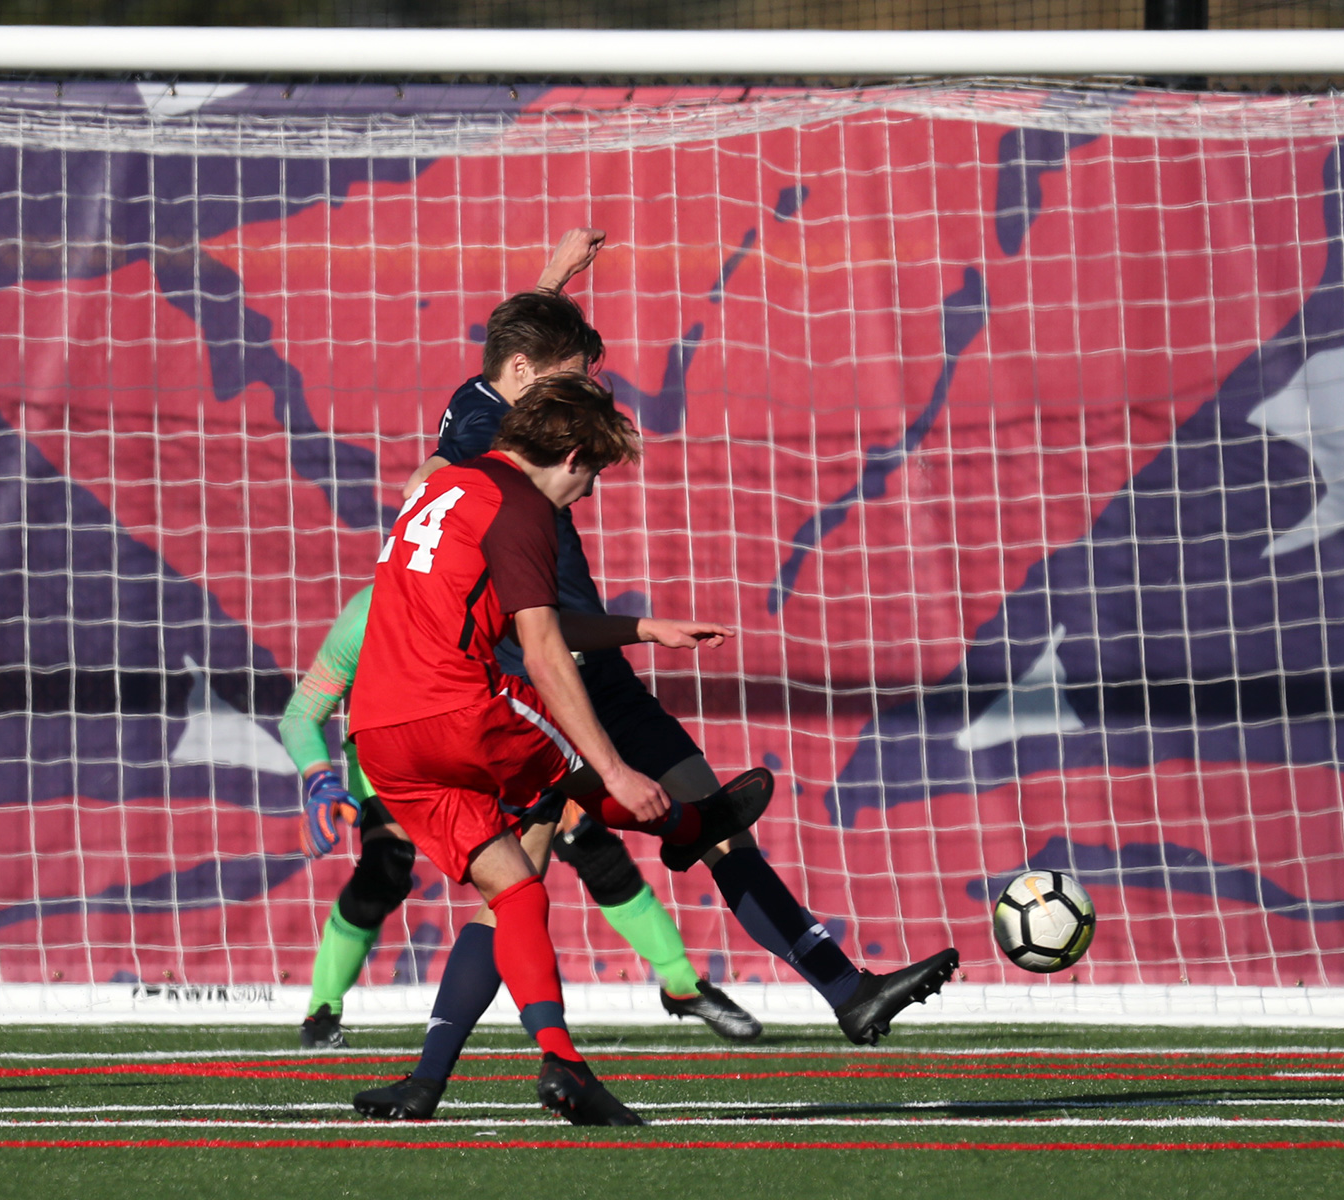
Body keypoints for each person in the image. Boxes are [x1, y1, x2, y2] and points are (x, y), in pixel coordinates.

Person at [400, 231, 958, 1046]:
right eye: (572, 381)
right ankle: (434, 1063)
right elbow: (434, 478)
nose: (584, 402)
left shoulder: (492, 393)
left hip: (597, 660)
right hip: (538, 677)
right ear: (525, 377)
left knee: (711, 819)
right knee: (520, 875)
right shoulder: (485, 436)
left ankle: (848, 991)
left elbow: (517, 350)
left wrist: (552, 278)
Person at [348, 372, 774, 1126]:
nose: (589, 494)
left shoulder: (441, 484)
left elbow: (516, 621)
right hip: (461, 713)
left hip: (381, 734)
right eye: (595, 475)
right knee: (578, 764)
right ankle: (687, 829)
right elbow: (542, 651)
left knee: (515, 893)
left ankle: (509, 1073)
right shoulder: (521, 509)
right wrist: (613, 769)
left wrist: (642, 630)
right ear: (572, 455)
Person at [282, 584, 763, 1049]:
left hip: (483, 737)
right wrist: (319, 779)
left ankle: (678, 983)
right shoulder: (373, 611)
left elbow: (550, 637)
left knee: (582, 841)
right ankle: (324, 1010)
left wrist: (645, 629)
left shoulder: (484, 593)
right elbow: (303, 712)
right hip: (398, 755)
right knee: (388, 868)